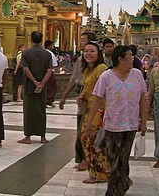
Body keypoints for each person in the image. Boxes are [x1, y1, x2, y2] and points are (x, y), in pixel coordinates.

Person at [86, 45, 148, 196]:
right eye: (130, 56)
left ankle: (114, 192)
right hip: (112, 126)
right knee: (115, 161)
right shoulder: (106, 77)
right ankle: (123, 182)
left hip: (131, 125)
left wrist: (144, 122)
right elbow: (97, 99)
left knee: (122, 159)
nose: (133, 58)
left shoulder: (137, 74)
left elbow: (142, 98)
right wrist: (89, 123)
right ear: (120, 59)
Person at [59, 31, 96, 171]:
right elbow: (74, 79)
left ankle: (88, 158)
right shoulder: (81, 60)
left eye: (82, 40)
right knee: (82, 125)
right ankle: (83, 158)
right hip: (83, 94)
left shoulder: (98, 63)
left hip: (91, 97)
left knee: (86, 127)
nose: (79, 42)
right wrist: (64, 96)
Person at [77, 41, 110, 183]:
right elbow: (87, 87)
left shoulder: (102, 68)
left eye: (92, 51)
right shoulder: (87, 69)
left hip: (100, 110)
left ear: (98, 54)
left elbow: (104, 91)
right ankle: (96, 172)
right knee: (86, 139)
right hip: (90, 108)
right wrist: (82, 96)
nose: (88, 54)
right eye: (86, 51)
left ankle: (101, 173)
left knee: (92, 140)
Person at [18, 31, 53, 144]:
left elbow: (26, 69)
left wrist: (35, 82)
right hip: (42, 87)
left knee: (28, 111)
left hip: (29, 85)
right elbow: (49, 70)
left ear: (31, 40)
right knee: (41, 110)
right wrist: (42, 83)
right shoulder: (47, 54)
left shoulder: (26, 52)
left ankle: (28, 137)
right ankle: (42, 137)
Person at [44, 40, 59, 107]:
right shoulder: (50, 53)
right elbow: (54, 64)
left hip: (43, 72)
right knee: (52, 86)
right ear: (49, 46)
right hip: (50, 72)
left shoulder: (43, 52)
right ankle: (49, 100)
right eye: (52, 45)